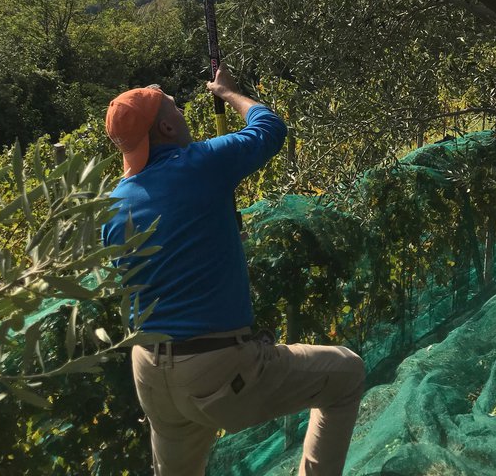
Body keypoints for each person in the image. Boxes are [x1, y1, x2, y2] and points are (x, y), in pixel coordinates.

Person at [102, 64, 365, 476]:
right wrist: (228, 93)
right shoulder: (199, 165)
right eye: (176, 107)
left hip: (149, 369)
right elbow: (269, 129)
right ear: (168, 129)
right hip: (216, 369)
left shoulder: (115, 203)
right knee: (346, 373)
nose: (183, 112)